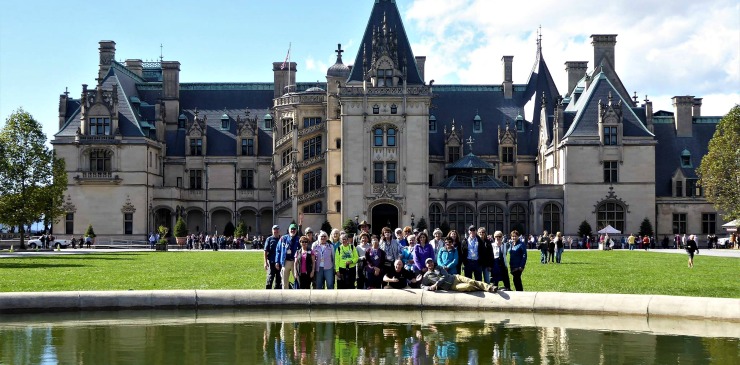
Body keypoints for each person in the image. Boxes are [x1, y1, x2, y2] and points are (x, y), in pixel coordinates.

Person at [421, 258, 498, 293]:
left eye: (431, 262)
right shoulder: (426, 275)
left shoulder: (439, 268)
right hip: (451, 286)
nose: (430, 264)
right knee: (468, 287)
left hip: (455, 277)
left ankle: (489, 287)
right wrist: (429, 288)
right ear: (426, 265)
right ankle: (481, 288)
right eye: (428, 263)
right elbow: (422, 285)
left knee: (471, 281)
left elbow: (445, 276)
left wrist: (436, 284)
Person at [276, 223, 301, 290]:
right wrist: (277, 262)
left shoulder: (298, 239)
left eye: (294, 229)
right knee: (284, 281)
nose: (293, 231)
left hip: (294, 262)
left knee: (297, 279)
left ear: (296, 230)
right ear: (288, 230)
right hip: (285, 261)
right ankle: (285, 296)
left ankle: (298, 294)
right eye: (291, 229)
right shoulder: (283, 238)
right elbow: (278, 250)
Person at [263, 225, 282, 289]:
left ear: (279, 231)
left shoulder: (281, 239)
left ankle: (277, 294)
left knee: (279, 280)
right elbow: (265, 251)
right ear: (272, 231)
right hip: (271, 262)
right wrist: (265, 262)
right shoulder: (269, 239)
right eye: (274, 230)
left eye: (277, 229)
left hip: (279, 263)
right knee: (270, 278)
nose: (276, 231)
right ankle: (268, 294)